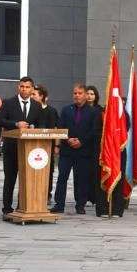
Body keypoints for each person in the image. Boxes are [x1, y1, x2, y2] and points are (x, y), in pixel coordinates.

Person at [0, 76, 44, 218]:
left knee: (26, 178)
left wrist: (33, 128)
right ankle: (7, 208)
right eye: (22, 86)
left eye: (27, 87)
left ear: (32, 88)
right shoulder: (8, 103)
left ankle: (22, 206)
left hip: (29, 148)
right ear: (18, 87)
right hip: (11, 147)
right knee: (10, 178)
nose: (24, 89)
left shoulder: (36, 105)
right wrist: (16, 124)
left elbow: (41, 123)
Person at [50, 85, 97, 215]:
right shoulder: (66, 110)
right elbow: (61, 127)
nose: (77, 95)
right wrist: (68, 139)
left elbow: (94, 131)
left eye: (79, 93)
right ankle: (59, 204)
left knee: (81, 178)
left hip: (83, 151)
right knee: (62, 177)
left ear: (85, 95)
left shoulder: (93, 112)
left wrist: (81, 141)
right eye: (75, 93)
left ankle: (80, 205)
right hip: (67, 150)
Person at [94, 102, 131, 218]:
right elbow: (95, 131)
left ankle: (116, 209)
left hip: (118, 151)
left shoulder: (124, 115)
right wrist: (108, 136)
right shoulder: (100, 114)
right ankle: (102, 208)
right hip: (104, 150)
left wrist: (115, 137)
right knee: (103, 177)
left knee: (118, 179)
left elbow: (126, 130)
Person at [33, 85, 59, 205]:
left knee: (48, 171)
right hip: (32, 146)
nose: (32, 96)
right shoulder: (31, 110)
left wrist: (56, 146)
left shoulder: (51, 111)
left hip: (47, 146)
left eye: (34, 94)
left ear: (42, 96)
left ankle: (47, 194)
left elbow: (55, 129)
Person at [86, 85, 103, 207]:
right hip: (83, 144)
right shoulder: (81, 109)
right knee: (85, 172)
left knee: (95, 172)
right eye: (88, 94)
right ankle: (87, 196)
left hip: (96, 145)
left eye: (92, 94)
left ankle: (96, 197)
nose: (89, 96)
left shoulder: (100, 110)